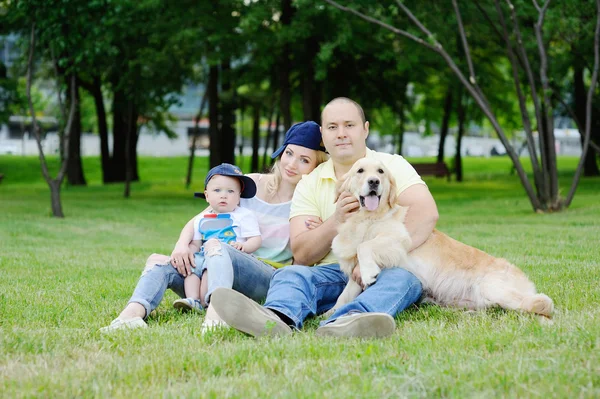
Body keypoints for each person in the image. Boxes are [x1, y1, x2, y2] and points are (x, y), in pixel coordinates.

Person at [210, 97, 439, 338]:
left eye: (349, 125)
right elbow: (302, 253)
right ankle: (276, 319)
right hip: (330, 272)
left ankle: (350, 320)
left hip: (386, 269)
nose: (341, 133)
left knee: (405, 279)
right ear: (323, 135)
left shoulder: (391, 165)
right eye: (332, 127)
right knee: (290, 274)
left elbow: (425, 214)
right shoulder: (309, 182)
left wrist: (373, 259)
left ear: (365, 129)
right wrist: (335, 220)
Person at [100, 121, 328, 332]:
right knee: (160, 263)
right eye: (289, 153)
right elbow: (201, 218)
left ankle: (216, 314)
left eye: (304, 160)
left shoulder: (309, 202)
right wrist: (181, 245)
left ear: (317, 165)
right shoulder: (248, 185)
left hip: (266, 278)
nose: (291, 164)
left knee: (218, 246)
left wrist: (318, 230)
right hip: (215, 267)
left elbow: (305, 258)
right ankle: (130, 316)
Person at [171, 163, 262, 312]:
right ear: (207, 196)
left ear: (239, 197)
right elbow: (195, 242)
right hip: (202, 254)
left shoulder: (243, 215)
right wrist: (190, 253)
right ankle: (192, 299)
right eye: (217, 190)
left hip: (225, 258)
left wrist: (244, 247)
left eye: (231, 191)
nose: (223, 195)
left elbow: (256, 240)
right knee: (191, 271)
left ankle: (206, 301)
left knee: (209, 271)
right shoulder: (202, 219)